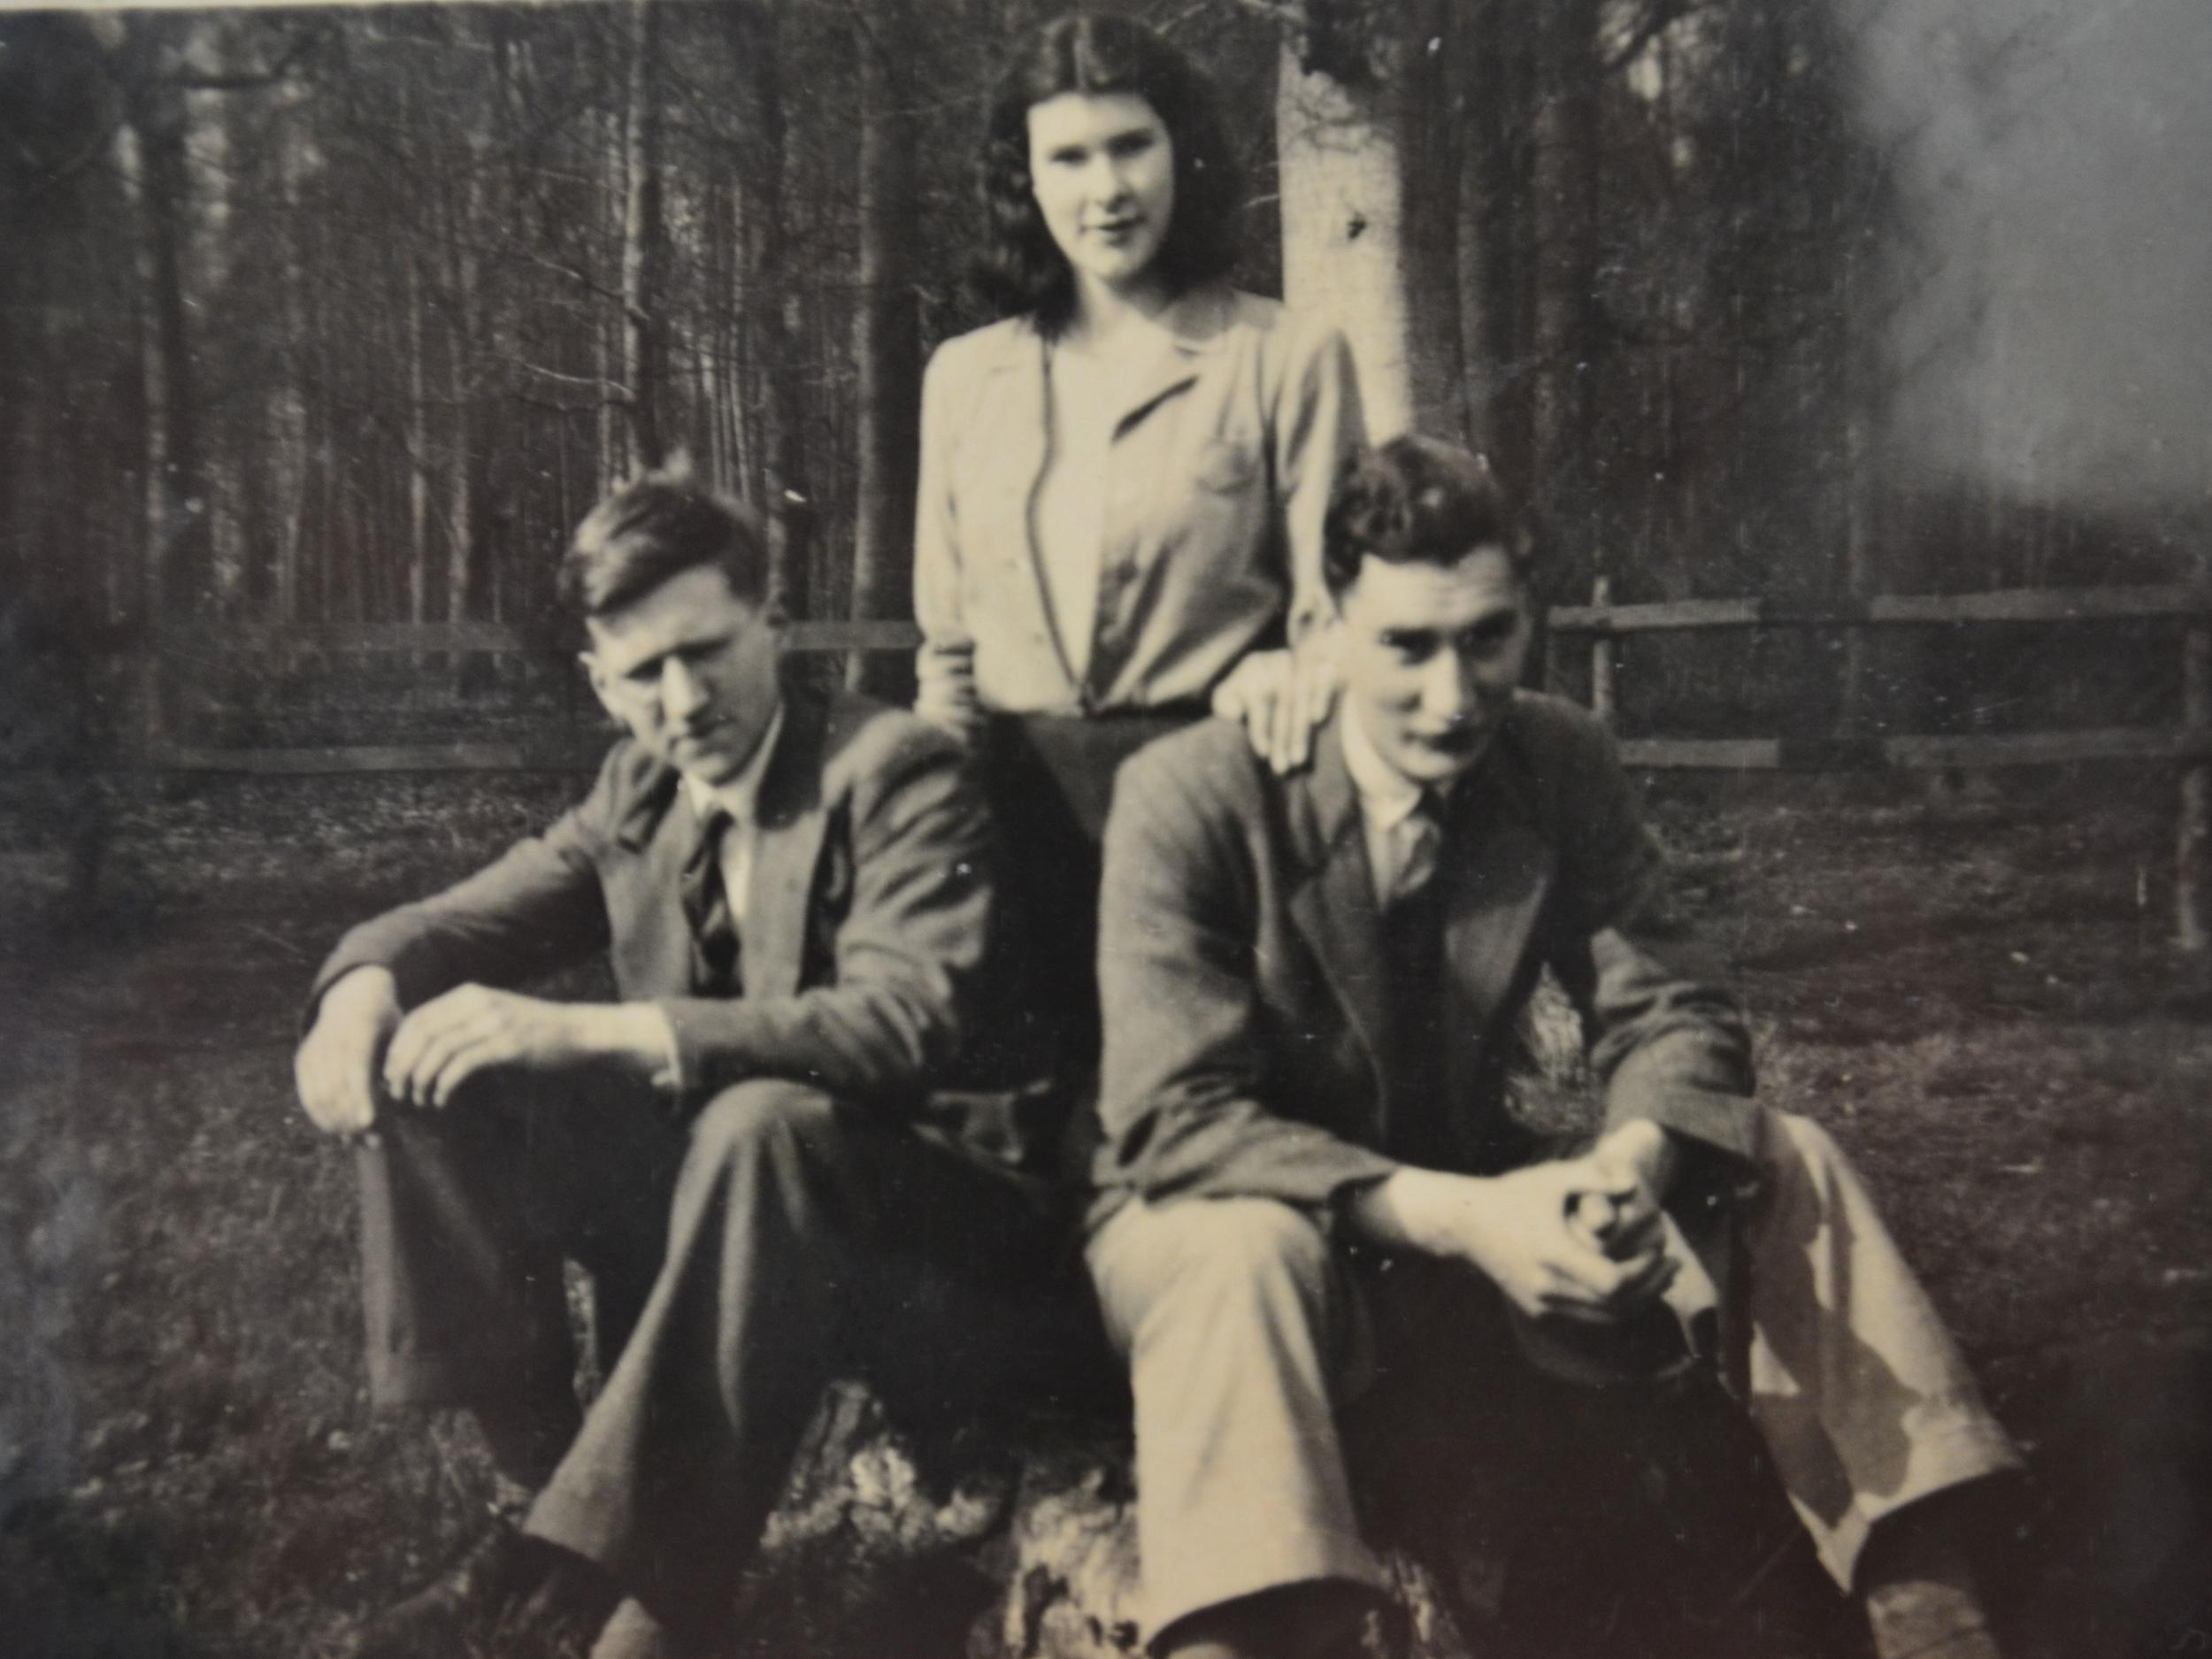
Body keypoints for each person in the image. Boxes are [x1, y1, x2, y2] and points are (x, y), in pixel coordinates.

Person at [1084, 435, 2024, 1659]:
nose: (1453, 694)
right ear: (1323, 624)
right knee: (1238, 1247)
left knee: (1783, 1152)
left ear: (1530, 621)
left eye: (1488, 638)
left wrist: (1632, 1158)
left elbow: (1676, 1002)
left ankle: (1927, 1599)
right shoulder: (1198, 790)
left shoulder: (1553, 755)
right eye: (1405, 646)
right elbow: (1175, 1120)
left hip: (1473, 1230)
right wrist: (1467, 1215)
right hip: (1236, 1227)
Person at [293, 467, 1087, 1659]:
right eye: (645, 672)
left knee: (758, 1120)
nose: (687, 695)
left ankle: (654, 1598)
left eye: (708, 649)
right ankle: (548, 1506)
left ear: (774, 625)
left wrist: (602, 1027)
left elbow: (902, 1021)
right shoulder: (642, 785)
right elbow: (458, 923)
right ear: (600, 684)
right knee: (432, 1057)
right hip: (748, 1216)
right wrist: (357, 989)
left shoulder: (894, 769)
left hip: (952, 1230)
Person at [910, 11, 1363, 1093]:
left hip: (1210, 808)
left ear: (1184, 153)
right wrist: (924, 822)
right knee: (1023, 1148)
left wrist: (1288, 670)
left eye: (1131, 146)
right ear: (1023, 176)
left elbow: (1338, 618)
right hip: (1011, 820)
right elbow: (949, 651)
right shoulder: (965, 378)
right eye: (1067, 156)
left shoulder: (1284, 356)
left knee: (1195, 1124)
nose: (1104, 189)